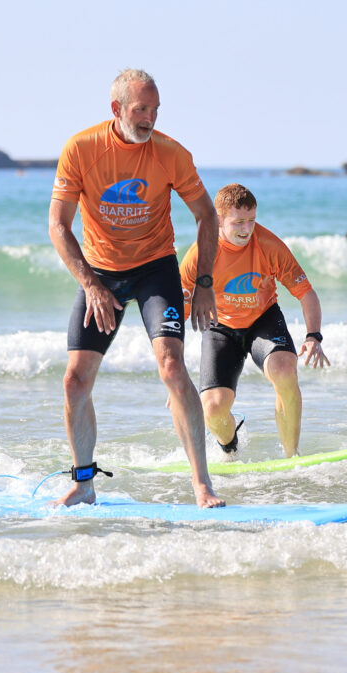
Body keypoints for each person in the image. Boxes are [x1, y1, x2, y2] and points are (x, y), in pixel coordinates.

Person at [48, 69, 224, 508]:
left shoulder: (171, 154)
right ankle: (84, 484)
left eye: (155, 109)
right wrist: (89, 283)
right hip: (101, 273)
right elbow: (58, 225)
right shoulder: (82, 149)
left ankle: (201, 483)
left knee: (171, 366)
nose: (150, 118)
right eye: (141, 109)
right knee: (74, 381)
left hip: (154, 269)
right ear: (117, 109)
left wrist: (204, 283)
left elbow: (207, 215)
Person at [179, 183, 329, 457]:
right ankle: (230, 446)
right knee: (212, 409)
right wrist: (174, 372)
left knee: (284, 370)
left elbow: (306, 293)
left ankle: (291, 456)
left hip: (263, 320)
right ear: (218, 220)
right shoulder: (201, 254)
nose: (246, 229)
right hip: (220, 327)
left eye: (251, 220)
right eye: (238, 222)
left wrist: (313, 336)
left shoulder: (269, 246)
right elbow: (180, 310)